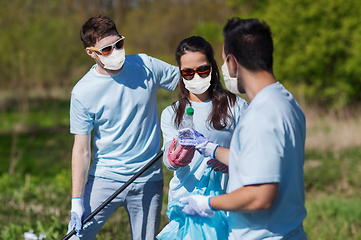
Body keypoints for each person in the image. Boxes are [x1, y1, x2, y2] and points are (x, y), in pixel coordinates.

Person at [180, 18, 308, 239]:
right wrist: (209, 148)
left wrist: (208, 203)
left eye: (222, 60)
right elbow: (266, 159)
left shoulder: (260, 116)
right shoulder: (285, 101)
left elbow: (260, 196)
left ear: (232, 62)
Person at [67, 15, 180, 240]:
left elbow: (189, 83)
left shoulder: (146, 65)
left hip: (148, 178)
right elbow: (81, 149)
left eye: (119, 44)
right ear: (91, 52)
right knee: (75, 237)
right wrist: (77, 201)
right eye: (106, 49)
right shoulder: (82, 93)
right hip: (104, 178)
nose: (116, 51)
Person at [156, 36, 248, 240]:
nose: (195, 76)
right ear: (180, 74)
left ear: (213, 69)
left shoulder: (237, 107)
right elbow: (168, 161)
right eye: (188, 72)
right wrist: (173, 159)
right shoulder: (171, 113)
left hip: (227, 204)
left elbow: (254, 155)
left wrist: (232, 163)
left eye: (202, 70)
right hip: (186, 205)